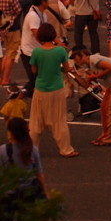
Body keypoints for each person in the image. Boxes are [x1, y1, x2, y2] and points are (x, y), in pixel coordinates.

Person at [28, 23, 76, 157]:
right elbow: (66, 68)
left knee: (35, 122)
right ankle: (66, 149)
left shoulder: (36, 51)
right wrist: (59, 68)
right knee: (59, 121)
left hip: (40, 88)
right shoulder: (60, 51)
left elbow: (34, 70)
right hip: (56, 88)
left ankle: (31, 150)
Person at [70, 46, 111, 146]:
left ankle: (108, 138)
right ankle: (105, 136)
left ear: (83, 55)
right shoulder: (87, 66)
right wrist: (73, 74)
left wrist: (96, 76)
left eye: (77, 58)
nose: (77, 62)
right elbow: (86, 85)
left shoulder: (93, 59)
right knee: (104, 108)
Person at [0, 117, 46, 200]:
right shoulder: (32, 149)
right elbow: (39, 174)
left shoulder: (3, 150)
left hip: (9, 195)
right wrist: (45, 193)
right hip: (28, 194)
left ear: (11, 133)